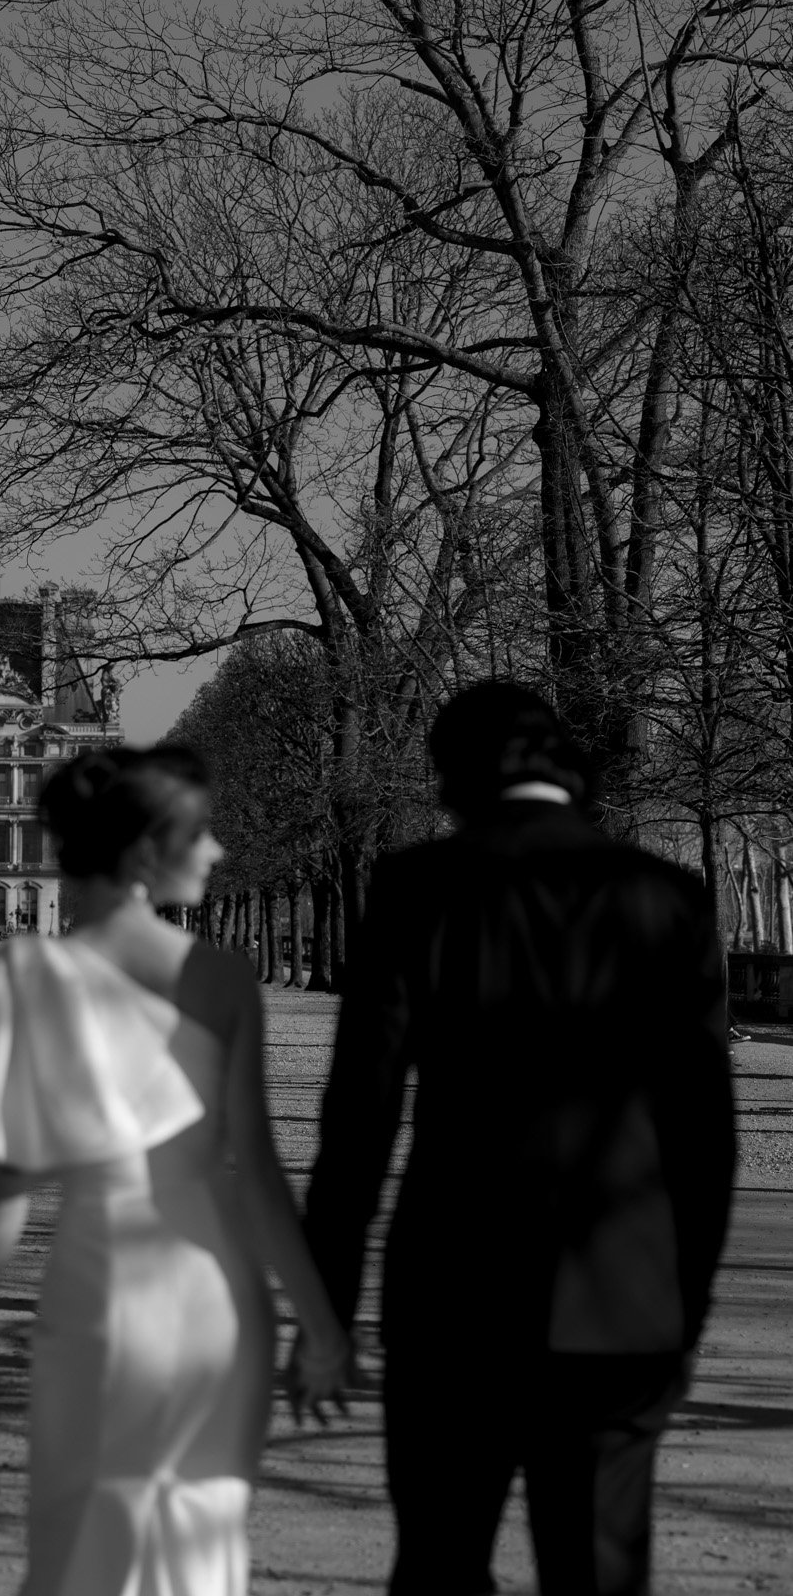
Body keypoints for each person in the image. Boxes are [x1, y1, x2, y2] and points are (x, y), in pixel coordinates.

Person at [304, 682, 736, 1596]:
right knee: (598, 1574)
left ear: (451, 778)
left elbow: (358, 1121)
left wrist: (326, 1310)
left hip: (453, 1293)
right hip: (620, 1303)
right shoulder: (667, 898)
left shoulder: (413, 887)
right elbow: (704, 1136)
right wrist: (680, 1311)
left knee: (440, 1564)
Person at [0, 744, 350, 1595]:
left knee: (81, 1536)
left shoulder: (22, 975)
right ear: (144, 850)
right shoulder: (221, 977)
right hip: (213, 1300)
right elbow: (262, 1178)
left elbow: (5, 1188)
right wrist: (320, 1325)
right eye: (200, 833)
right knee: (198, 1547)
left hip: (100, 1289)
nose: (218, 852)